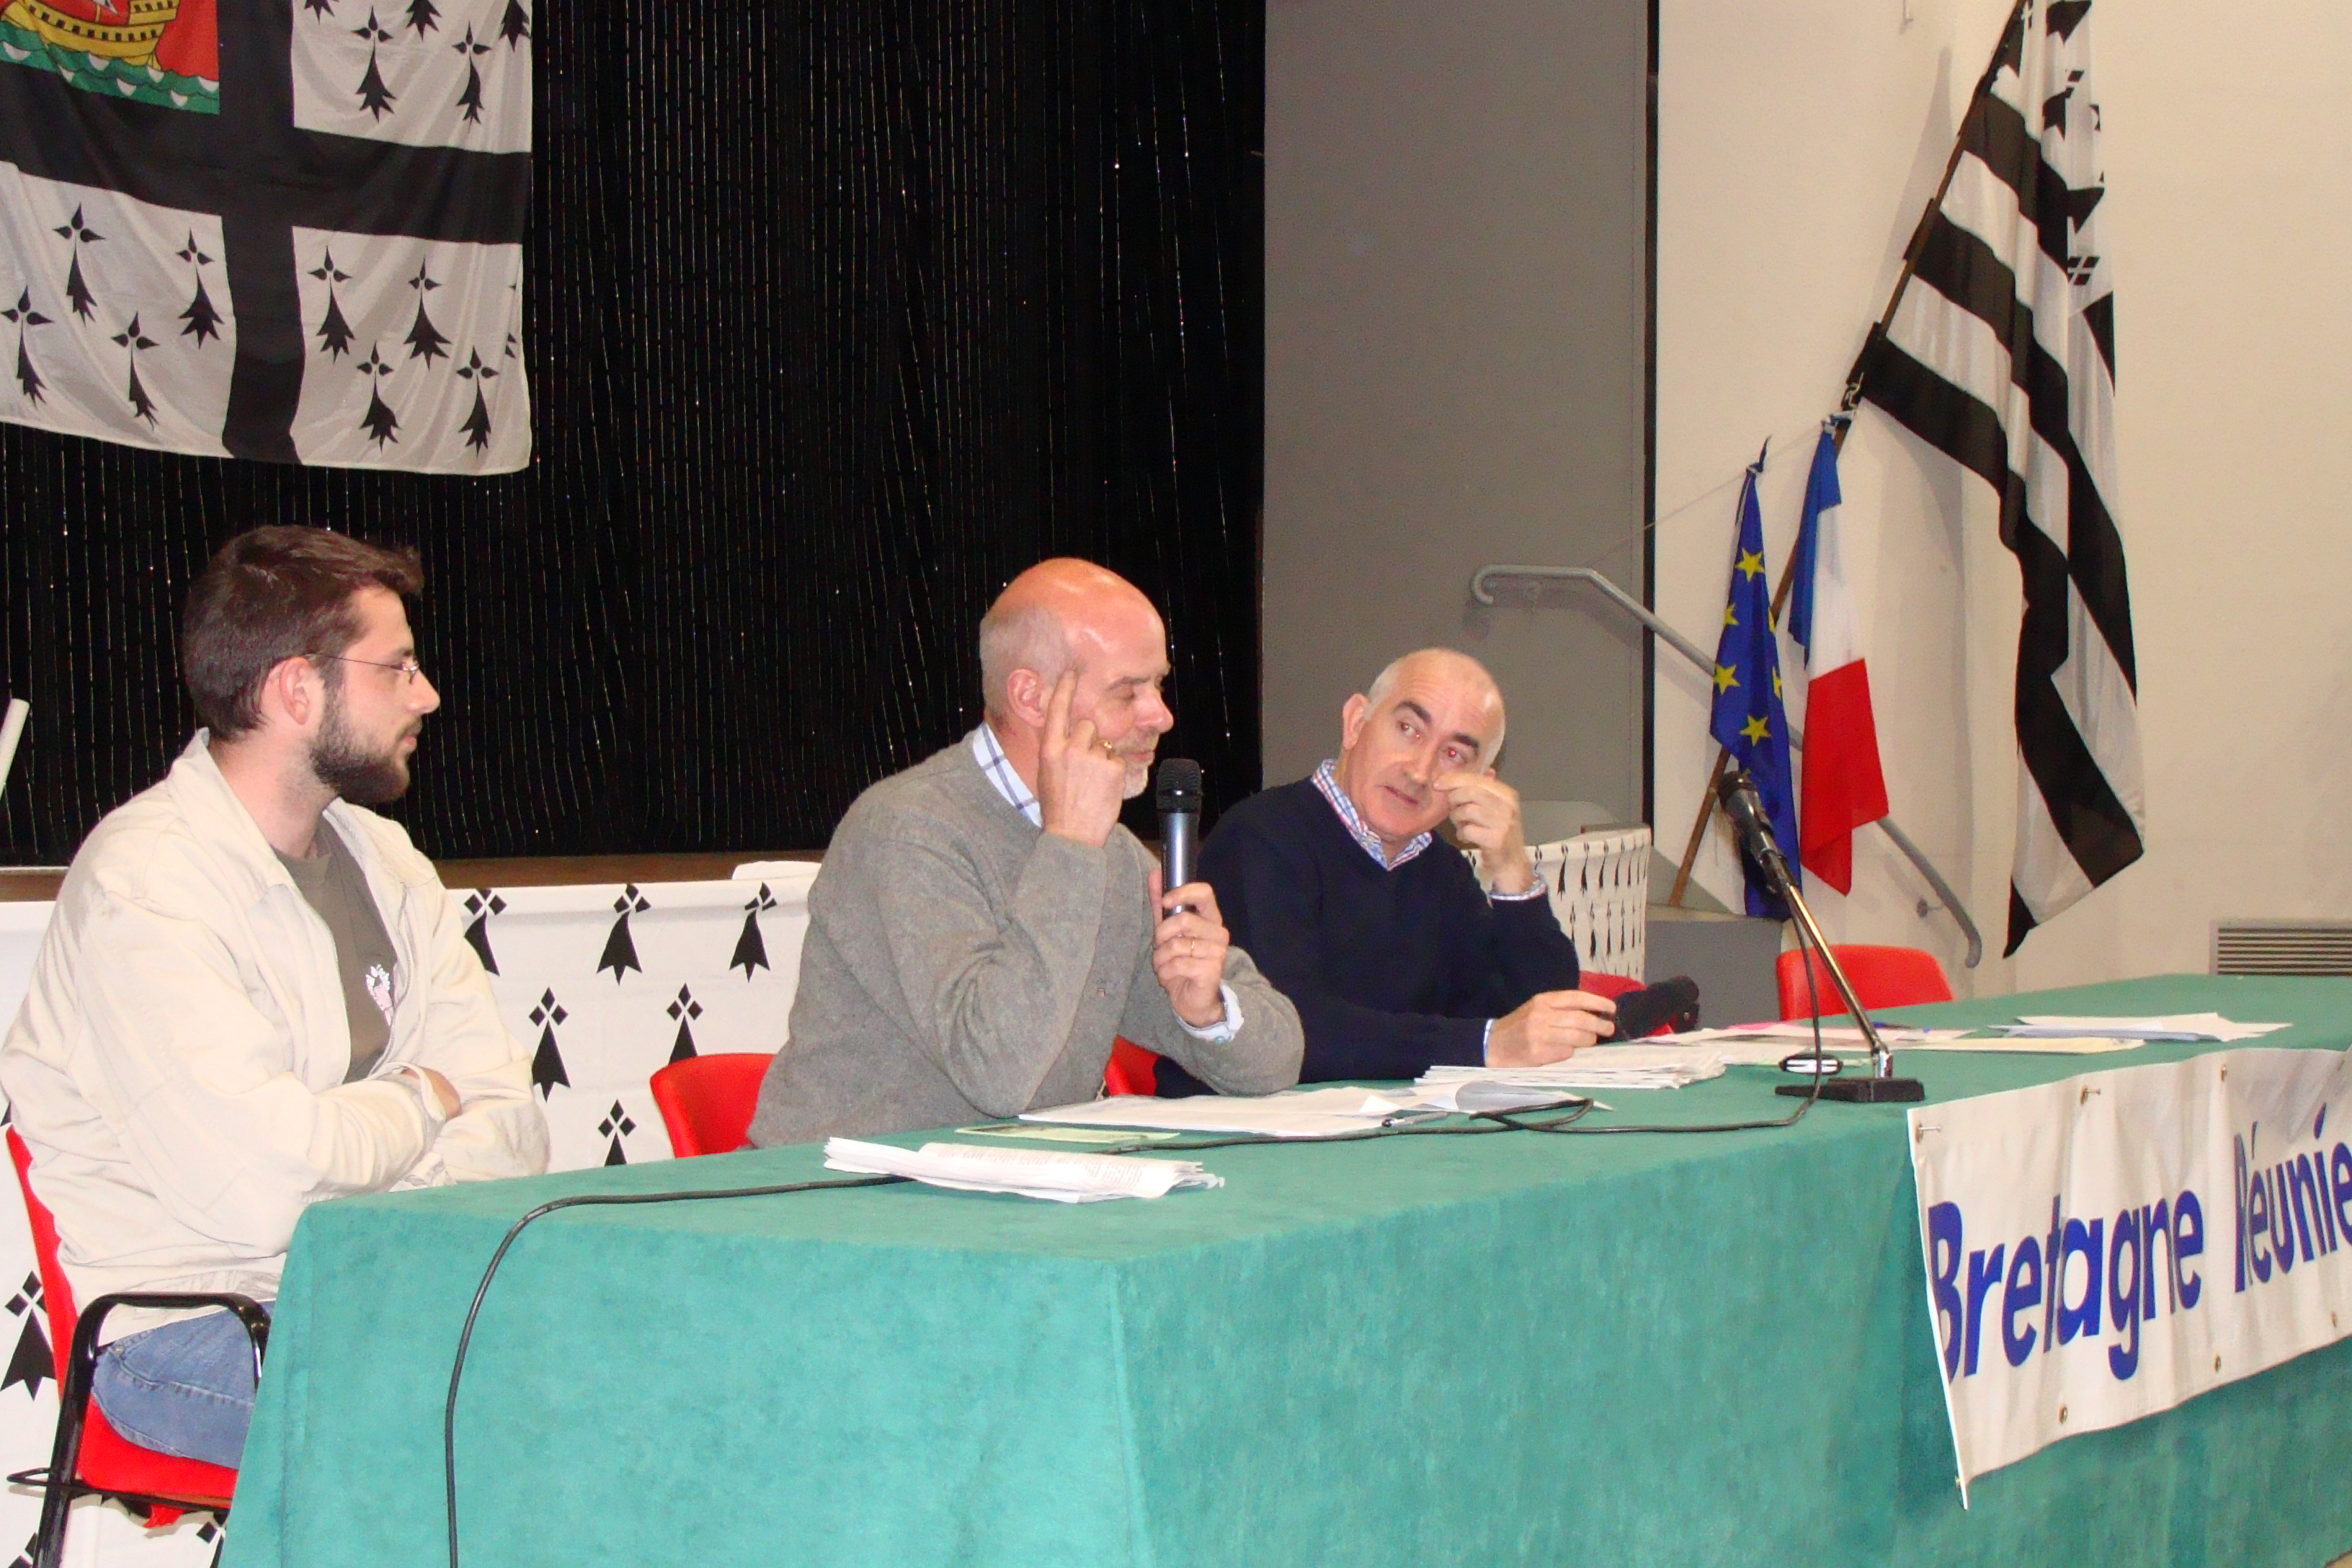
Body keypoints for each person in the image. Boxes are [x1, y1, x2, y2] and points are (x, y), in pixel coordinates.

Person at [0, 527, 548, 1469]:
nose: (428, 696)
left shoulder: (388, 863)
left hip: (375, 1281)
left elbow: (512, 1124)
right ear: (297, 690)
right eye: (398, 668)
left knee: (639, 1368)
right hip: (190, 1327)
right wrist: (420, 1100)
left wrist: (366, 1165)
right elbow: (258, 1197)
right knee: (495, 1430)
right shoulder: (149, 882)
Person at [748, 558, 1302, 1144]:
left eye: (1158, 684)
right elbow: (1000, 1074)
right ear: (1032, 698)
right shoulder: (906, 829)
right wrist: (1068, 848)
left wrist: (1208, 1009)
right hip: (843, 1199)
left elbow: (1277, 1061)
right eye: (1128, 691)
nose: (1160, 715)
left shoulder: (1106, 854)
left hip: (1006, 1192)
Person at [1155, 648, 1616, 1095]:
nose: (1419, 769)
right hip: (1234, 1136)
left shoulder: (1442, 871)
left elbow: (1541, 1022)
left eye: (1454, 755)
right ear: (1356, 723)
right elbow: (1292, 1031)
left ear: (1480, 784)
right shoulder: (1260, 837)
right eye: (1409, 729)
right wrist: (1482, 1043)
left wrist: (1511, 867)